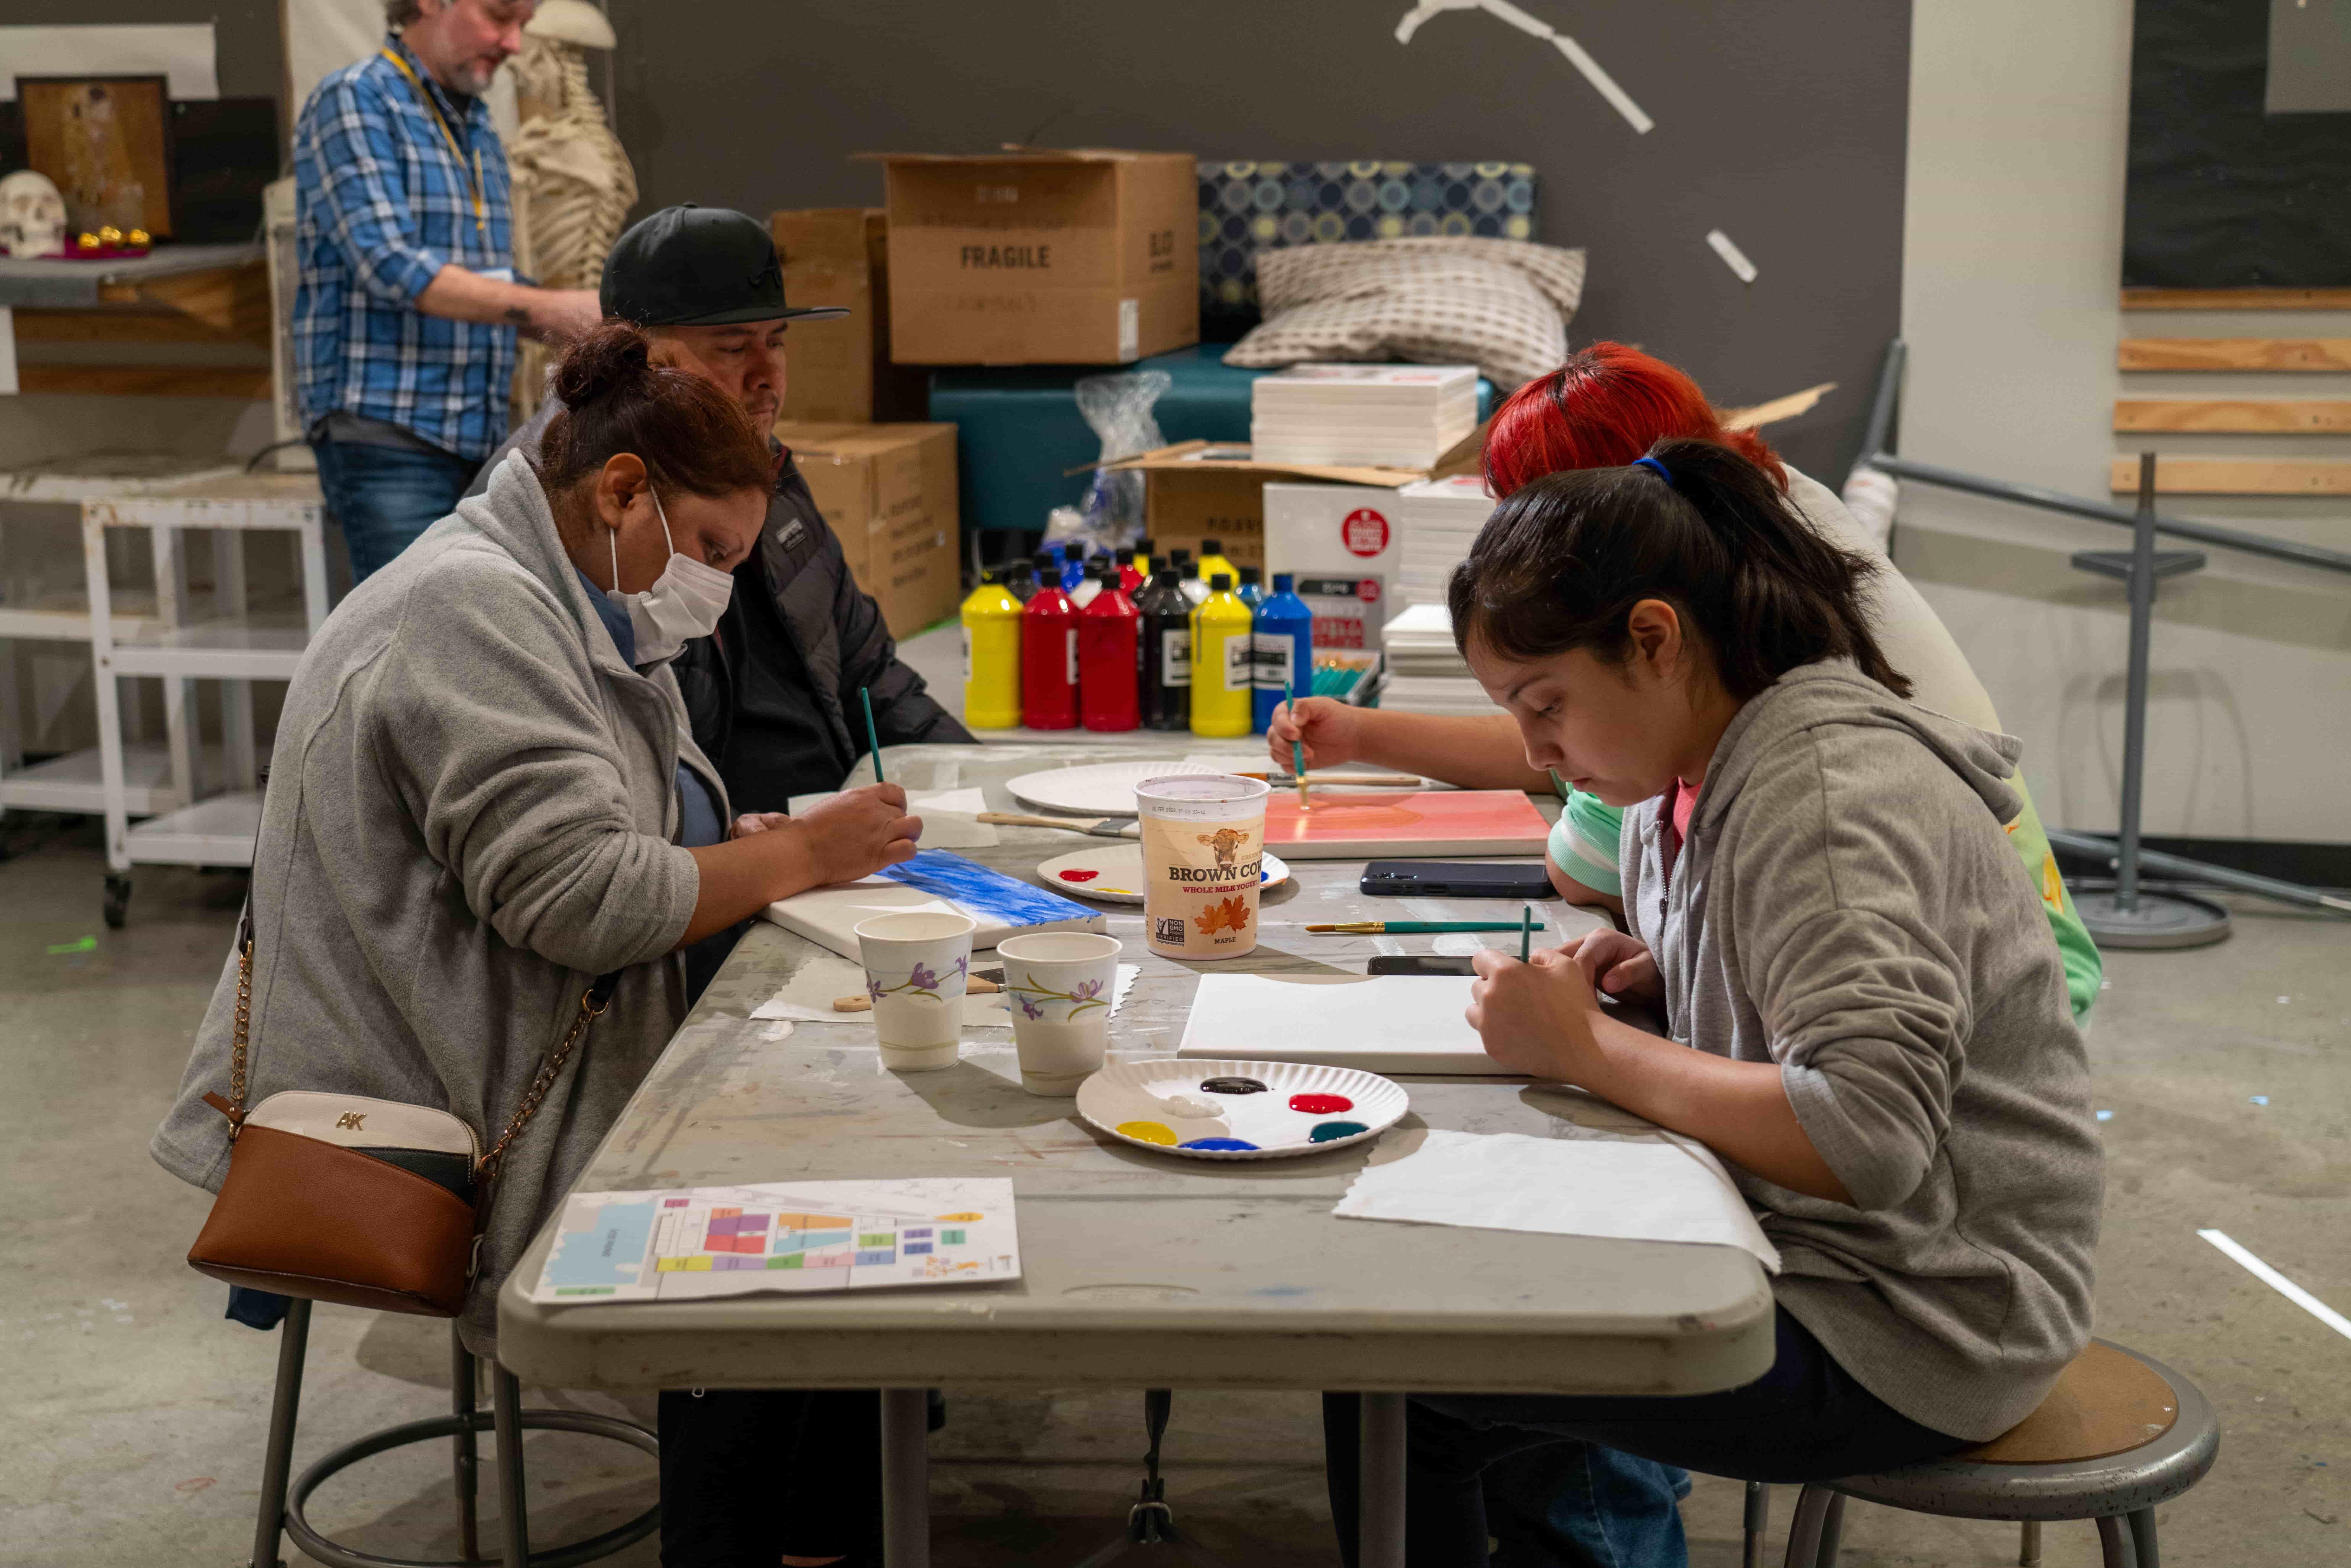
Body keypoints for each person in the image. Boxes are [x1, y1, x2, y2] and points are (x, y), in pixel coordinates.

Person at [152, 324, 921, 1559]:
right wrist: (809, 856)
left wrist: (740, 836)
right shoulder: (471, 610)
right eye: (711, 551)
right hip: (431, 1104)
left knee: (846, 1130)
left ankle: (819, 1526)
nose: (719, 586)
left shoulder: (582, 599)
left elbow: (612, 824)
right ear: (621, 492)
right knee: (782, 1206)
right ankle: (771, 1537)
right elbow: (588, 903)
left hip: (511, 1038)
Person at [1322, 442, 2103, 1567]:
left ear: (1654, 639)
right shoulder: (1680, 774)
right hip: (1822, 1258)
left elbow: (1868, 1138)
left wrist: (1587, 1049)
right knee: (1409, 1318)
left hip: (1919, 1325)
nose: (1536, 751)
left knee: (1399, 1371)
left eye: (1547, 705)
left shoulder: (1826, 802)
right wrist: (1669, 965)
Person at [1270, 342, 2101, 1022]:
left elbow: (1862, 1124)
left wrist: (1585, 1050)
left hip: (1995, 984)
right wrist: (1368, 733)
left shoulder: (1796, 738)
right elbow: (1575, 744)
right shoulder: (1755, 531)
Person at [473, 203, 971, 816]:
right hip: (721, 844)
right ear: (636, 358)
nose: (767, 376)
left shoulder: (763, 463)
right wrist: (770, 854)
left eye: (777, 342)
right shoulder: (554, 503)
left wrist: (977, 784)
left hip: (835, 816)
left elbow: (871, 673)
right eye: (734, 347)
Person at [293, 0, 603, 581]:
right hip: (391, 436)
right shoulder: (357, 99)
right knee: (412, 624)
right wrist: (552, 308)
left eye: (522, 25)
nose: (514, 44)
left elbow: (483, 281)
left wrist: (590, 325)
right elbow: (390, 264)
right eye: (499, 16)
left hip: (475, 433)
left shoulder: (476, 122)